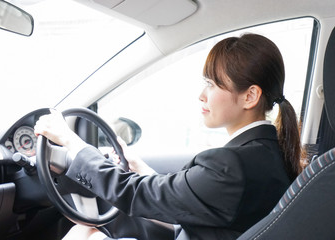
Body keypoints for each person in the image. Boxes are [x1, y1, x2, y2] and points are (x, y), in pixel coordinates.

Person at [34, 33, 303, 240]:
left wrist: (71, 142)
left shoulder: (231, 165)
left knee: (84, 232)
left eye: (211, 84)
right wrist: (137, 165)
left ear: (250, 96)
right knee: (88, 228)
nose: (201, 95)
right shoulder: (272, 154)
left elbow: (134, 192)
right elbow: (188, 201)